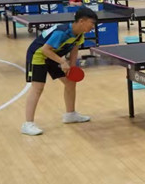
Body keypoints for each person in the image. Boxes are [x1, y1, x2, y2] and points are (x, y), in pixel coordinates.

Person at [21, 7, 98, 136]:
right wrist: (62, 62)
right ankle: (27, 124)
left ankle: (70, 115)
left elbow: (74, 48)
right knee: (37, 88)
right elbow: (45, 50)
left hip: (53, 55)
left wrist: (72, 67)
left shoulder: (79, 33)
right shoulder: (62, 32)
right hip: (38, 55)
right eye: (92, 23)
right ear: (81, 21)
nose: (93, 26)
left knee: (70, 82)